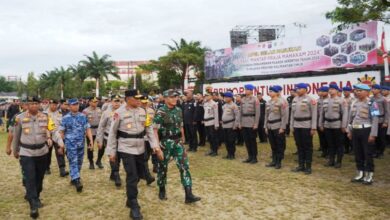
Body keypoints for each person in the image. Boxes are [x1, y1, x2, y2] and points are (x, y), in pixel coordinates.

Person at [106, 89, 160, 220]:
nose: (139, 100)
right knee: (132, 176)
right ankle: (134, 206)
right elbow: (113, 133)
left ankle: (130, 200)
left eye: (140, 98)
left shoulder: (143, 111)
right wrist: (111, 151)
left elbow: (149, 130)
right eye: (136, 98)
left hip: (141, 148)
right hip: (126, 148)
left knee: (139, 175)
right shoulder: (119, 113)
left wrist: (155, 145)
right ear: (128, 99)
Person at [154, 89, 201, 204]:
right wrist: (157, 147)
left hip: (178, 142)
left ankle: (188, 194)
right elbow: (154, 130)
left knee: (184, 166)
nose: (175, 99)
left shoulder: (179, 110)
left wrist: (183, 137)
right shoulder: (161, 112)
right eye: (171, 97)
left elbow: (180, 125)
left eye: (176, 97)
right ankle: (162, 189)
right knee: (163, 167)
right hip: (165, 143)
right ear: (165, 99)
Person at [12, 96, 52, 219]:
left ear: (39, 104)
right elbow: (16, 135)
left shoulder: (45, 117)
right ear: (27, 105)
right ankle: (33, 204)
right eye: (31, 103)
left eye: (36, 103)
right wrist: (15, 150)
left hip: (42, 151)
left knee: (39, 177)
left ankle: (37, 195)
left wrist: (50, 137)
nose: (34, 105)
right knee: (30, 177)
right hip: (26, 152)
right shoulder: (19, 118)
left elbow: (49, 130)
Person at [59, 98, 94, 192]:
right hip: (70, 144)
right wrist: (61, 145)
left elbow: (87, 129)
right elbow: (61, 132)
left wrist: (91, 140)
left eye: (77, 104)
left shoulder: (83, 116)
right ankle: (77, 180)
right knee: (73, 161)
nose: (76, 106)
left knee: (79, 161)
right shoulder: (65, 118)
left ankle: (74, 177)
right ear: (69, 106)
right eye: (74, 105)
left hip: (81, 143)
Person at [349, 84, 378, 185]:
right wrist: (350, 131)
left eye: (360, 90)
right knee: (358, 153)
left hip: (366, 130)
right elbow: (351, 119)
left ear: (367, 92)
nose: (357, 92)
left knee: (367, 153)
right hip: (356, 130)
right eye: (356, 90)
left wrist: (373, 134)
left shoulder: (372, 103)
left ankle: (369, 175)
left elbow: (375, 119)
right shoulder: (354, 102)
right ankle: (360, 174)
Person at [290, 83, 317, 175]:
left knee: (307, 146)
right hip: (297, 125)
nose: (297, 90)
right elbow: (292, 114)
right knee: (299, 145)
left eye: (299, 89)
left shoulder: (311, 99)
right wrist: (291, 125)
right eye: (296, 89)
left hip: (306, 125)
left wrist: (313, 127)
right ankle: (301, 165)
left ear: (305, 89)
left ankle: (308, 167)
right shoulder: (295, 99)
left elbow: (314, 114)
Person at [319, 84, 348, 168]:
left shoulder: (341, 100)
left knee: (339, 144)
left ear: (337, 90)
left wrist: (343, 126)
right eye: (330, 89)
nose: (330, 90)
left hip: (337, 125)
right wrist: (321, 124)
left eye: (332, 89)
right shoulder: (325, 101)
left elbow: (345, 114)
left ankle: (338, 161)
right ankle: (331, 160)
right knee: (330, 144)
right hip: (327, 125)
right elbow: (322, 114)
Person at [96, 95, 122, 187]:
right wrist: (99, 140)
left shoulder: (123, 111)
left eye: (118, 101)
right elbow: (101, 127)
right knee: (113, 156)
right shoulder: (106, 113)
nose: (117, 103)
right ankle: (116, 175)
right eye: (115, 101)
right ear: (111, 102)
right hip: (109, 138)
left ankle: (113, 174)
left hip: (121, 138)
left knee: (118, 158)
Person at [264, 85, 288, 169]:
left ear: (276, 93)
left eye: (271, 91)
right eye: (269, 91)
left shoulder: (281, 102)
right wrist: (265, 126)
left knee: (279, 144)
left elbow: (284, 116)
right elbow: (266, 116)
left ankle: (279, 162)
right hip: (270, 126)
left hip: (278, 125)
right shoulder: (268, 102)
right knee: (273, 145)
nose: (269, 93)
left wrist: (282, 127)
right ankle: (274, 160)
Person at [45, 99, 69, 177]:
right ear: (49, 104)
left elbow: (63, 124)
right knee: (47, 152)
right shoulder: (44, 113)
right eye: (52, 104)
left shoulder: (60, 113)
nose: (54, 106)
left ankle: (62, 169)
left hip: (58, 135)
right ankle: (47, 168)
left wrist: (62, 133)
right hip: (47, 135)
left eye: (55, 105)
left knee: (60, 152)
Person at [240, 84, 260, 164]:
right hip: (244, 122)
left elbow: (258, 113)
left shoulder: (255, 99)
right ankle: (249, 156)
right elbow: (240, 112)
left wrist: (256, 124)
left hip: (251, 122)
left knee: (252, 141)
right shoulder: (243, 99)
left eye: (247, 89)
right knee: (246, 141)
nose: (245, 91)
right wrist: (240, 123)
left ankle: (254, 157)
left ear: (251, 90)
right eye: (245, 89)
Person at [140, 94, 157, 185]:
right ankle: (147, 176)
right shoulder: (137, 111)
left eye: (146, 102)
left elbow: (152, 124)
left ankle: (143, 173)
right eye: (143, 102)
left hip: (148, 137)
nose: (145, 104)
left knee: (147, 156)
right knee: (143, 157)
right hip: (139, 138)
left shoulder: (150, 110)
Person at [82, 97, 103, 169]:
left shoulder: (99, 110)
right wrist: (85, 131)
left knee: (101, 146)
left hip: (99, 130)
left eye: (96, 101)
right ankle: (91, 162)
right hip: (90, 130)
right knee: (90, 146)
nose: (95, 103)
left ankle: (99, 160)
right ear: (89, 102)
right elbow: (83, 122)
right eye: (93, 101)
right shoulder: (85, 111)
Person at [221, 91, 240, 159]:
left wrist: (235, 125)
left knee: (231, 141)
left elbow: (237, 116)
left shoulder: (234, 105)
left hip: (231, 125)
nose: (225, 98)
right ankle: (228, 153)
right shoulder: (224, 105)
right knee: (226, 141)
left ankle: (232, 154)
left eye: (226, 97)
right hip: (225, 125)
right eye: (224, 97)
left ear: (230, 98)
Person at [371, 84, 387, 159]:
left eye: (374, 89)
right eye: (372, 89)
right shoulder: (371, 99)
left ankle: (381, 152)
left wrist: (385, 122)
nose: (373, 90)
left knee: (381, 138)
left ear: (379, 90)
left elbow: (387, 111)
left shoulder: (383, 99)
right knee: (374, 137)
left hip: (381, 120)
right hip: (374, 120)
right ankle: (375, 151)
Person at [317, 86, 329, 158]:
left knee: (327, 138)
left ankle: (329, 152)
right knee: (321, 137)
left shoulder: (329, 100)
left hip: (326, 121)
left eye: (323, 91)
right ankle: (324, 151)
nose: (321, 92)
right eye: (320, 91)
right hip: (319, 121)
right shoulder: (318, 100)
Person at [342, 86, 355, 154]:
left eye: (346, 91)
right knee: (344, 135)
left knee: (351, 135)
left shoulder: (352, 99)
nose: (344, 93)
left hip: (350, 119)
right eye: (343, 91)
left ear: (349, 92)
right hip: (344, 119)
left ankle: (352, 148)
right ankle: (346, 148)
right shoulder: (342, 99)